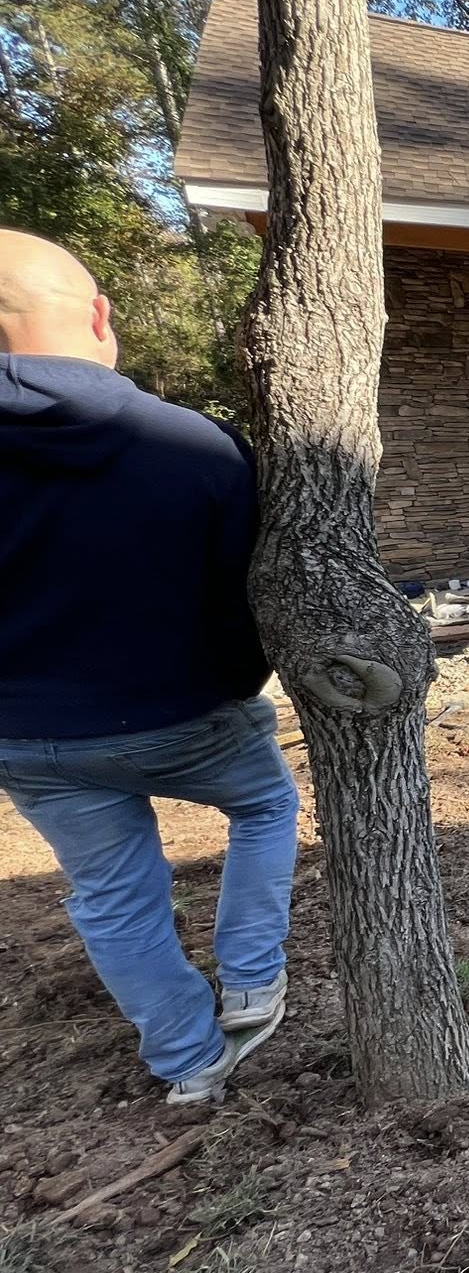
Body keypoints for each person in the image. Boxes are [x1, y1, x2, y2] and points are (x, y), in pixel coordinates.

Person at [0, 229, 297, 1105]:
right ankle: (250, 979)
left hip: (26, 735)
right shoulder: (194, 445)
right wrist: (237, 680)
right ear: (97, 316)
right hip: (188, 715)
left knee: (111, 896)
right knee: (264, 801)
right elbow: (253, 590)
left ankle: (187, 1062)